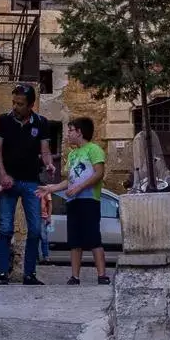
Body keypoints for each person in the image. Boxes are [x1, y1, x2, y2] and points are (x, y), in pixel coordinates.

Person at [0, 83, 55, 285]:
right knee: (5, 229)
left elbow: (45, 150)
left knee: (36, 229)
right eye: (14, 102)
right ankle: (2, 273)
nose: (15, 107)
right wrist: (2, 175)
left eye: (20, 104)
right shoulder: (4, 120)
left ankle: (29, 274)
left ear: (31, 105)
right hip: (9, 182)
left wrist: (49, 164)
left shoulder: (41, 122)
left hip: (31, 182)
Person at [38, 117, 109, 285]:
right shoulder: (72, 154)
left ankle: (102, 275)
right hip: (73, 201)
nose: (68, 134)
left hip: (89, 200)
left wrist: (80, 188)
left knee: (93, 238)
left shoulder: (94, 149)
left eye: (70, 130)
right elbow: (69, 180)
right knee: (74, 240)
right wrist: (51, 188)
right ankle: (75, 276)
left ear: (79, 132)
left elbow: (98, 173)